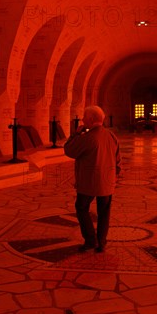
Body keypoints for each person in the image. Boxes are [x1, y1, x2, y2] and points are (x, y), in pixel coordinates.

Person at [64, 106, 121, 253]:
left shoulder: (88, 138)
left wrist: (76, 134)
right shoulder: (111, 136)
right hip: (107, 182)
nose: (82, 120)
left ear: (90, 119)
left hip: (89, 182)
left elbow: (69, 150)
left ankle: (90, 240)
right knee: (104, 212)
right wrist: (115, 176)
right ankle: (101, 242)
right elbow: (118, 160)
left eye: (84, 117)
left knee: (81, 208)